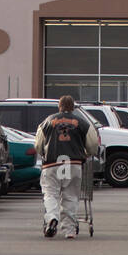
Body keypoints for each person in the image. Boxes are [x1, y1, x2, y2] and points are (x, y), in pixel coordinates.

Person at [34, 95, 99, 240]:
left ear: (59, 106)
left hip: (52, 164)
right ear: (73, 107)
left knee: (50, 194)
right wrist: (88, 153)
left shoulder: (47, 122)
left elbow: (38, 144)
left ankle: (51, 218)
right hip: (73, 164)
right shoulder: (82, 123)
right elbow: (93, 144)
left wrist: (44, 153)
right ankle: (69, 231)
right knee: (70, 196)